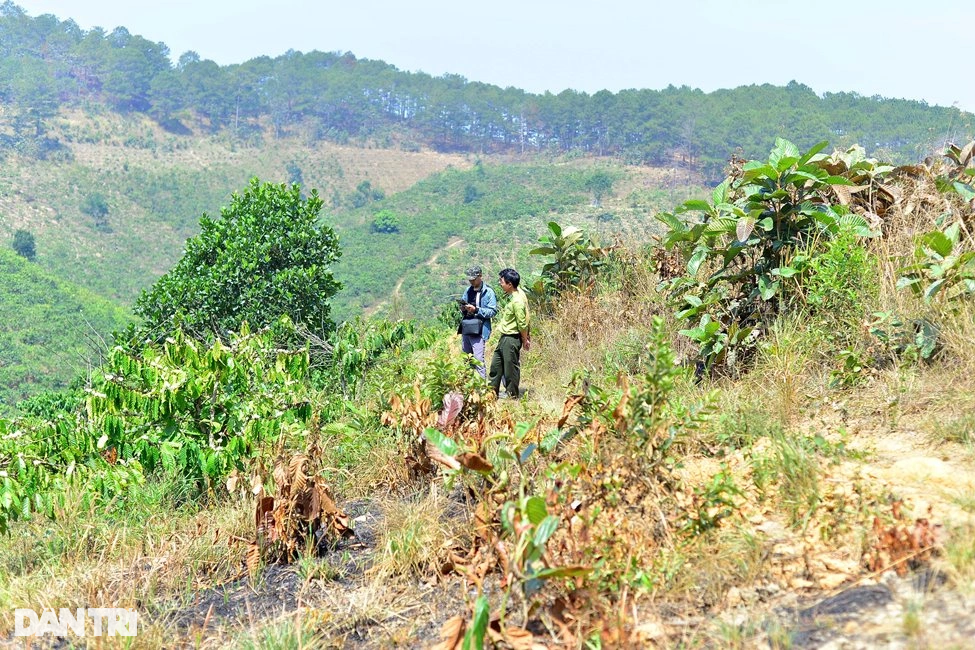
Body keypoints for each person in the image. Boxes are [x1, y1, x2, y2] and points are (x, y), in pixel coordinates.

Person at [489, 268, 531, 398]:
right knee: (496, 366)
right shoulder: (516, 295)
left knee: (510, 369)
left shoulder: (517, 301)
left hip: (511, 338)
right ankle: (491, 394)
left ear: (509, 284)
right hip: (504, 337)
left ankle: (512, 395)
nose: (500, 284)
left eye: (502, 281)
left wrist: (525, 340)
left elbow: (522, 324)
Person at [458, 265, 497, 378]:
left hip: (479, 330)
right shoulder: (468, 290)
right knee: (466, 359)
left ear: (480, 276)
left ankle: (482, 388)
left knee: (478, 360)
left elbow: (492, 311)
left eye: (473, 279)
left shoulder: (488, 292)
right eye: (470, 279)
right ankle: (467, 385)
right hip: (467, 328)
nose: (471, 281)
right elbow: (463, 304)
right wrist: (463, 308)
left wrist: (477, 310)